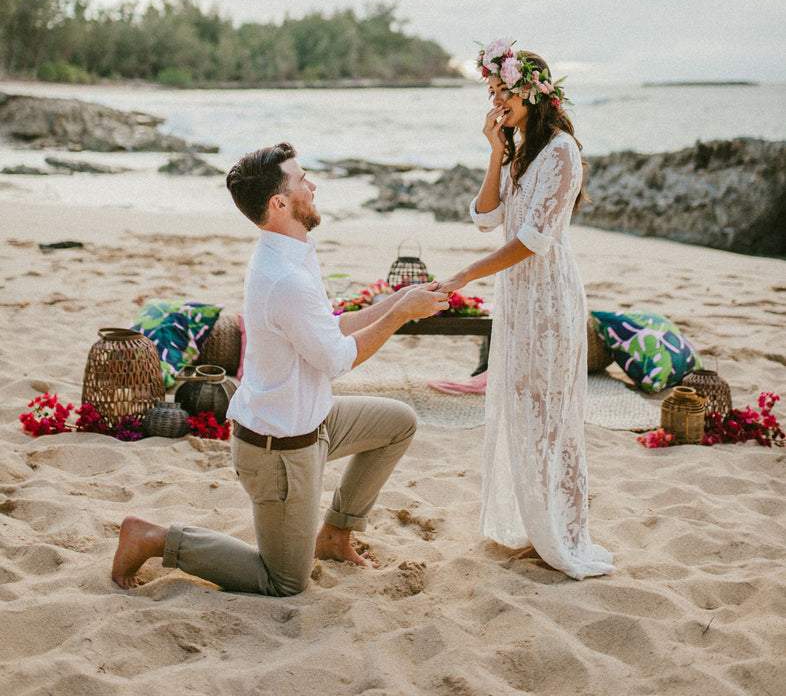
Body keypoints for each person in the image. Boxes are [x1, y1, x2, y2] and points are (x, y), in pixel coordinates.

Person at [112, 142, 449, 595]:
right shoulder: (283, 277)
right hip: (279, 451)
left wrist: (395, 301)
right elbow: (336, 359)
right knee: (285, 581)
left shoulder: (293, 252)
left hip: (315, 423)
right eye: (302, 180)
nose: (313, 185)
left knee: (399, 422)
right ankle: (154, 538)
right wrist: (402, 314)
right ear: (280, 203)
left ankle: (334, 535)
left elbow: (328, 328)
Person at [438, 40, 613, 579]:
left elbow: (534, 240)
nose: (495, 101)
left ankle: (562, 529)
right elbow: (486, 218)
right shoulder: (521, 150)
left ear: (531, 92)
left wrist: (467, 273)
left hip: (549, 296)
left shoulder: (561, 151)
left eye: (501, 91)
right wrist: (495, 150)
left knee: (551, 414)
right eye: (491, 92)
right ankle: (537, 526)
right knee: (522, 408)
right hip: (516, 297)